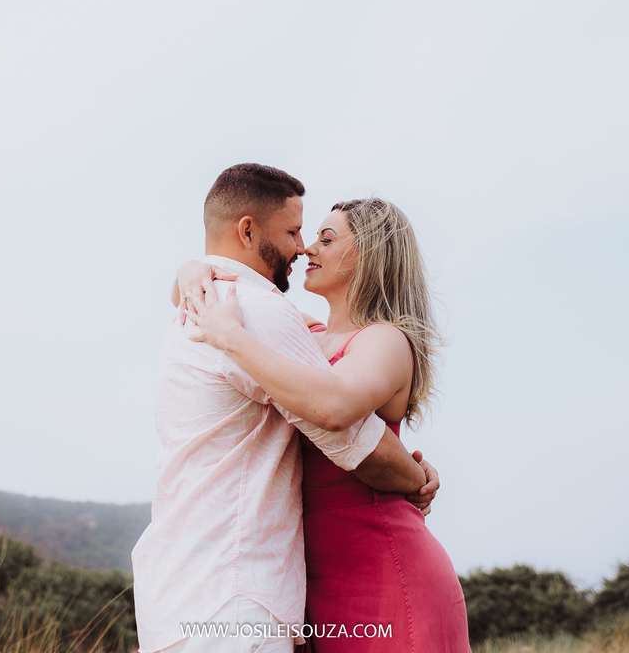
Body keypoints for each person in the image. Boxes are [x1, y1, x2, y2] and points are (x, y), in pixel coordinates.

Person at [131, 164, 438, 653]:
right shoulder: (266, 315)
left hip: (341, 566)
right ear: (248, 230)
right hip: (241, 590)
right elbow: (345, 426)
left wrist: (206, 290)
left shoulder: (236, 311)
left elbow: (338, 412)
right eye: (297, 232)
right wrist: (415, 476)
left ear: (370, 257)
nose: (304, 247)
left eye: (321, 237)